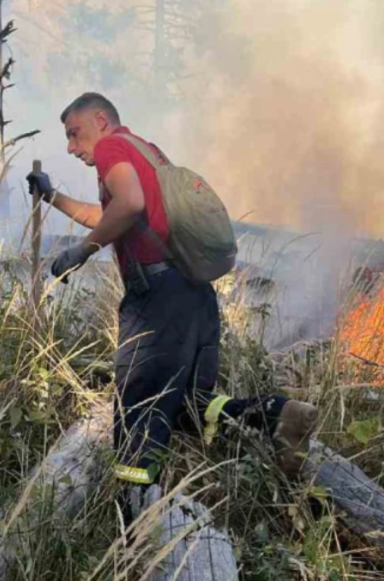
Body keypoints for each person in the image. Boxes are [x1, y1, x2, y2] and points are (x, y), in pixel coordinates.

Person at [27, 92, 317, 524]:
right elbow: (113, 212)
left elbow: (129, 205)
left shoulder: (111, 147)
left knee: (139, 418)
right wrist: (53, 198)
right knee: (187, 405)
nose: (71, 147)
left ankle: (137, 533)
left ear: (101, 120)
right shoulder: (147, 152)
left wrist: (81, 252)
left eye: (74, 133)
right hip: (194, 298)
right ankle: (277, 415)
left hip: (157, 302)